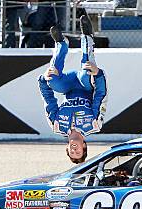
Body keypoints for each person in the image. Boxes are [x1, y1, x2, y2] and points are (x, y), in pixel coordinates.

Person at [38, 15, 107, 164]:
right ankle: (87, 37)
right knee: (87, 70)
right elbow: (101, 95)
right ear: (84, 146)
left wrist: (44, 79)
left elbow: (48, 99)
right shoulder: (95, 124)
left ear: (67, 148)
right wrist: (98, 74)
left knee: (52, 80)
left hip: (67, 86)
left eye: (72, 152)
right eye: (78, 151)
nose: (75, 150)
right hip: (85, 83)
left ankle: (61, 45)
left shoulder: (56, 125)